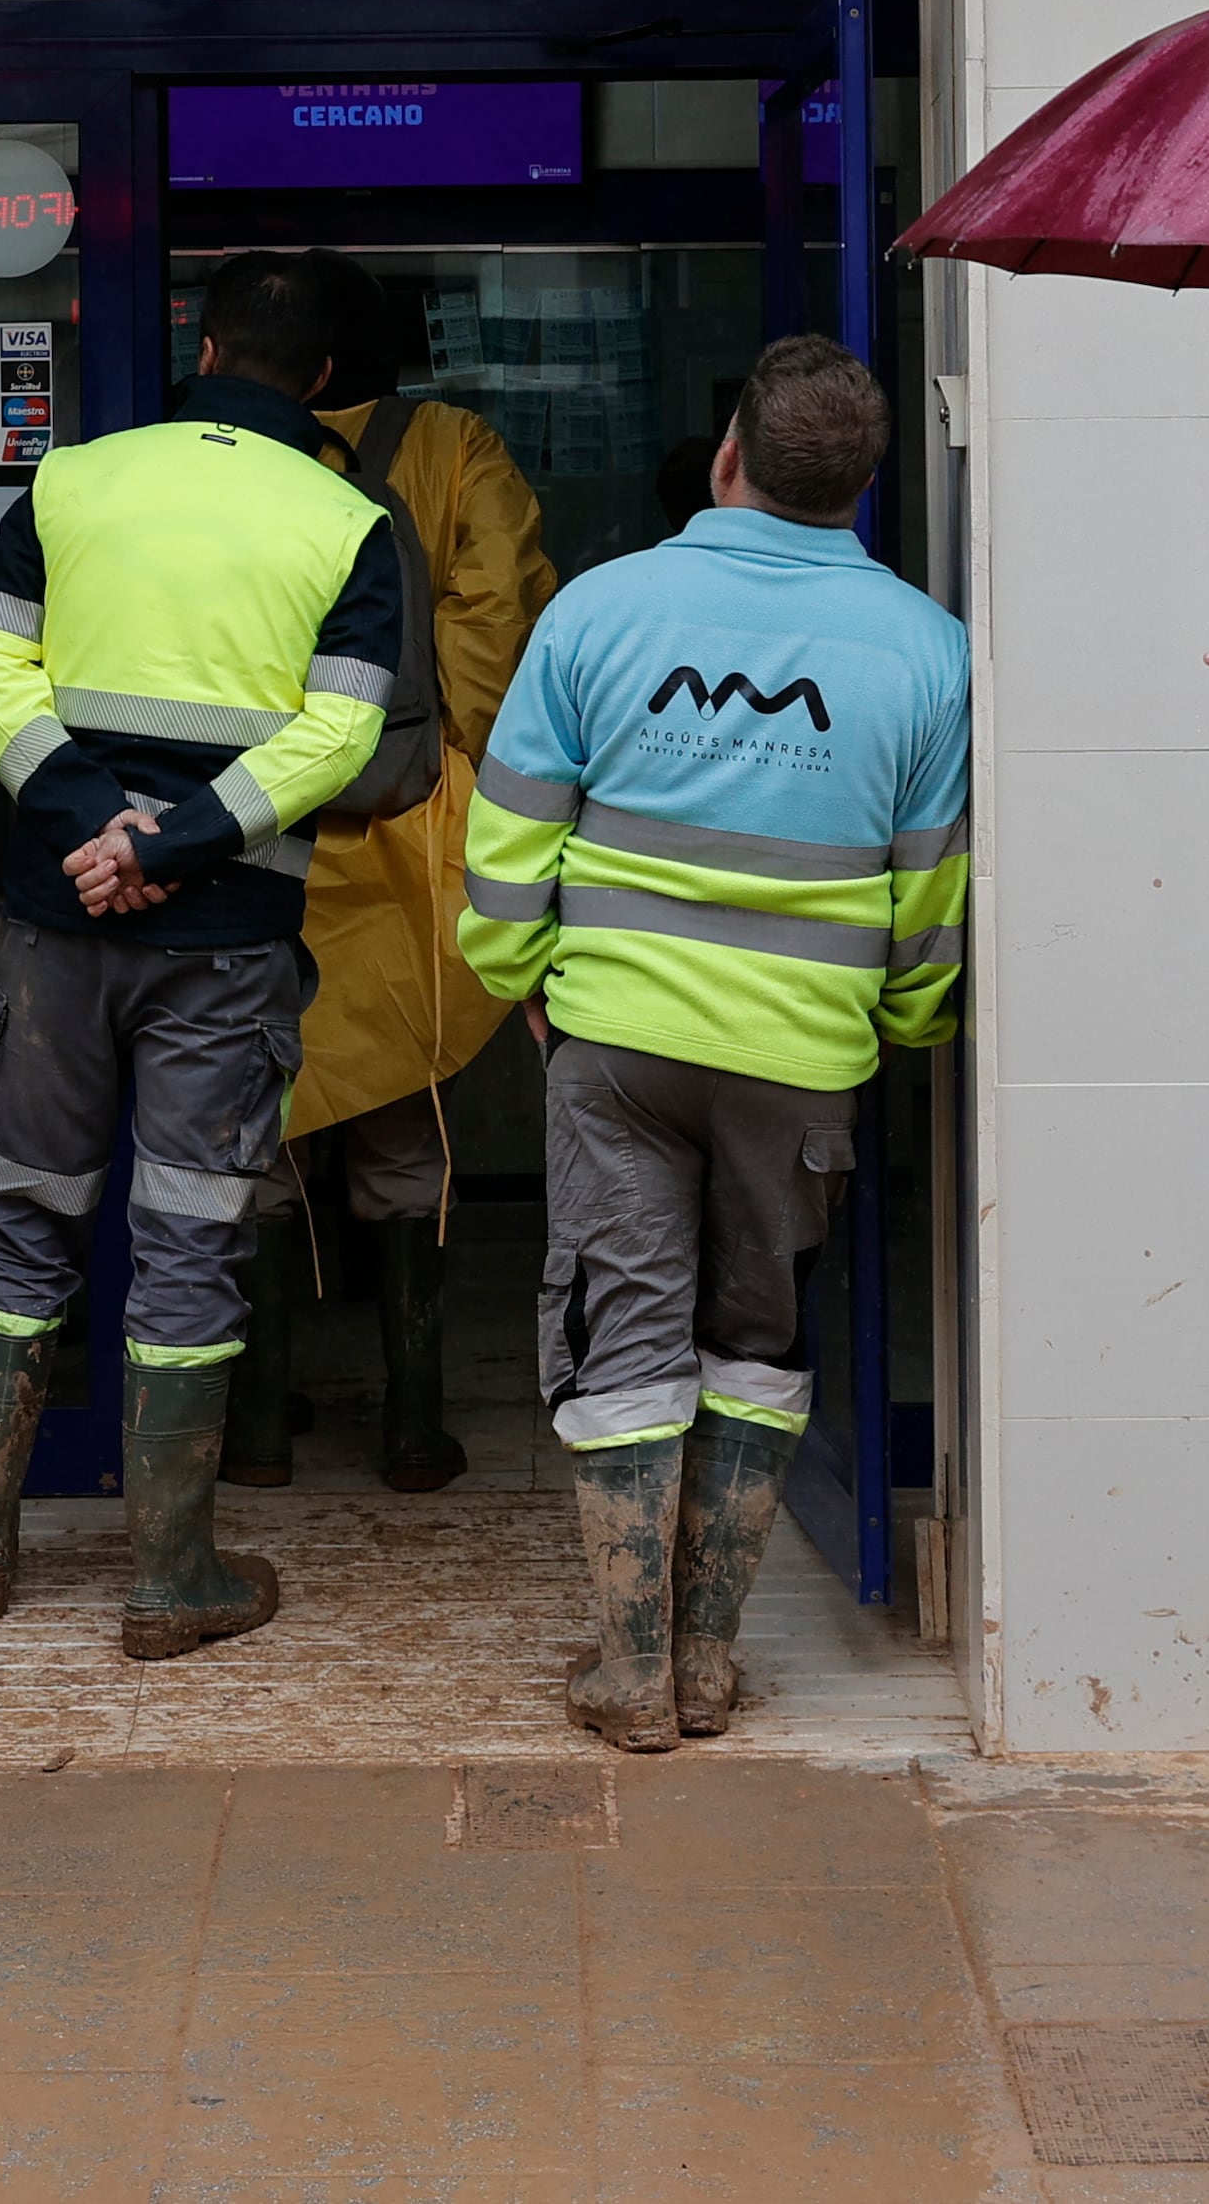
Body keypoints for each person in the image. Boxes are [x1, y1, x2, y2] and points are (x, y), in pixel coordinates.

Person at [461, 334, 966, 1750]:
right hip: (800, 1056)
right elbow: (932, 885)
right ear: (863, 485)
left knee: (622, 1335)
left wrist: (519, 975)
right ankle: (706, 1662)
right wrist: (905, 1019)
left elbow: (511, 836)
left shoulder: (600, 612)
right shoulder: (931, 652)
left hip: (614, 1041)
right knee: (756, 1337)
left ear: (731, 450)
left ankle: (626, 1674)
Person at [0, 250, 409, 1657]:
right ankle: (171, 1575)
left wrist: (96, 822)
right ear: (326, 377)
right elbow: (343, 731)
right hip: (224, 935)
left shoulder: (74, 480)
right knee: (190, 1234)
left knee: (24, 1212)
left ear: (200, 345)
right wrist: (179, 838)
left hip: (56, 919)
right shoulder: (349, 518)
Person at [227, 253, 558, 1497]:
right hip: (412, 828)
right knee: (404, 1121)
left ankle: (255, 1425)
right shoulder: (455, 444)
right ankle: (413, 1425)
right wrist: (452, 767)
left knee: (246, 1120)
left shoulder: (228, 457)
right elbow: (494, 617)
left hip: (250, 825)